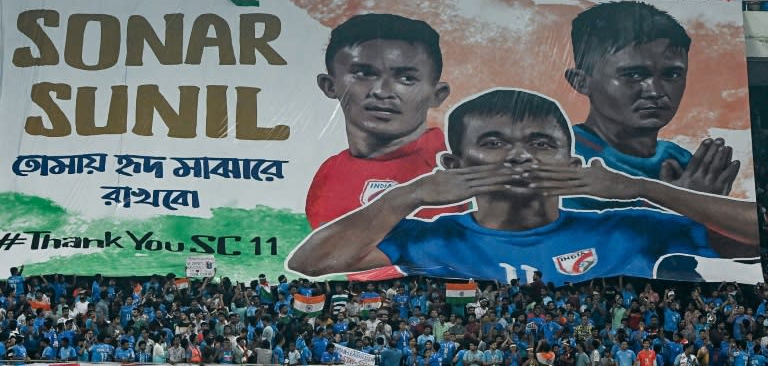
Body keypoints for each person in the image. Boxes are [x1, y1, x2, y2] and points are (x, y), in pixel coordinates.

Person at [288, 88, 757, 283]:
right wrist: (411, 193)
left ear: (571, 161)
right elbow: (311, 263)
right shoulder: (430, 238)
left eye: (540, 143)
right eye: (493, 142)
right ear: (454, 162)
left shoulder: (630, 227)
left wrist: (644, 188)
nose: (519, 156)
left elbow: (757, 236)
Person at [304, 14, 464, 280]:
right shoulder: (329, 175)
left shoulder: (457, 162)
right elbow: (334, 260)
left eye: (406, 78)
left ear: (437, 94)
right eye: (364, 74)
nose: (382, 91)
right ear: (329, 86)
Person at [563, 1, 740, 196]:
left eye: (672, 74)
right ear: (580, 82)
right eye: (634, 75)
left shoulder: (684, 163)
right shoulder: (558, 158)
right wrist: (691, 206)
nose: (655, 91)